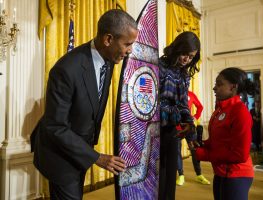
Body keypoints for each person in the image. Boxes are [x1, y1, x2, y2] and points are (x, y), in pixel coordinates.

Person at [30, 9, 138, 199]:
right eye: (127, 44)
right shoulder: (66, 70)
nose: (130, 50)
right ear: (108, 39)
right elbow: (55, 127)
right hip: (59, 157)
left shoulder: (110, 60)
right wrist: (97, 157)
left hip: (79, 153)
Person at [195, 67, 256, 200]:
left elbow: (240, 154)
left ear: (233, 87)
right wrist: (202, 144)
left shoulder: (240, 112)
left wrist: (205, 154)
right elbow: (218, 141)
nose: (214, 88)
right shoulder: (220, 110)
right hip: (220, 173)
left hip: (237, 175)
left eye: (219, 84)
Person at [159, 31, 200, 200]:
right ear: (177, 48)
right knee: (158, 174)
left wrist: (190, 128)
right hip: (154, 128)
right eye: (185, 54)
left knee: (170, 175)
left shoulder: (184, 74)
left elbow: (183, 104)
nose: (187, 60)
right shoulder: (159, 65)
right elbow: (151, 99)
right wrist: (172, 111)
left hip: (171, 130)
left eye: (191, 57)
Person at [176, 90, 210, 186]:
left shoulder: (190, 94)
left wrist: (195, 117)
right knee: (177, 151)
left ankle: (199, 174)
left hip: (189, 127)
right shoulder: (173, 93)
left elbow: (200, 106)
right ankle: (181, 175)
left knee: (195, 150)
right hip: (177, 127)